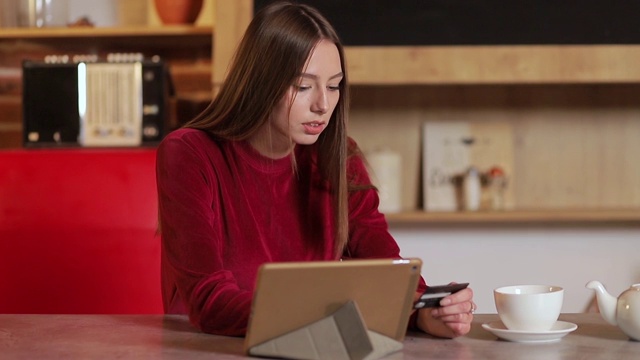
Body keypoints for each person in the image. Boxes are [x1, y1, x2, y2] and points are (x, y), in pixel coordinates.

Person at [156, 1, 475, 339]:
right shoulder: (189, 154)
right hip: (205, 347)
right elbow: (210, 300)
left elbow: (382, 266)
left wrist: (422, 311)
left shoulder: (338, 154)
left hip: (313, 343)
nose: (323, 104)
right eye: (303, 86)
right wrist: (325, 315)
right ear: (260, 82)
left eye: (334, 85)